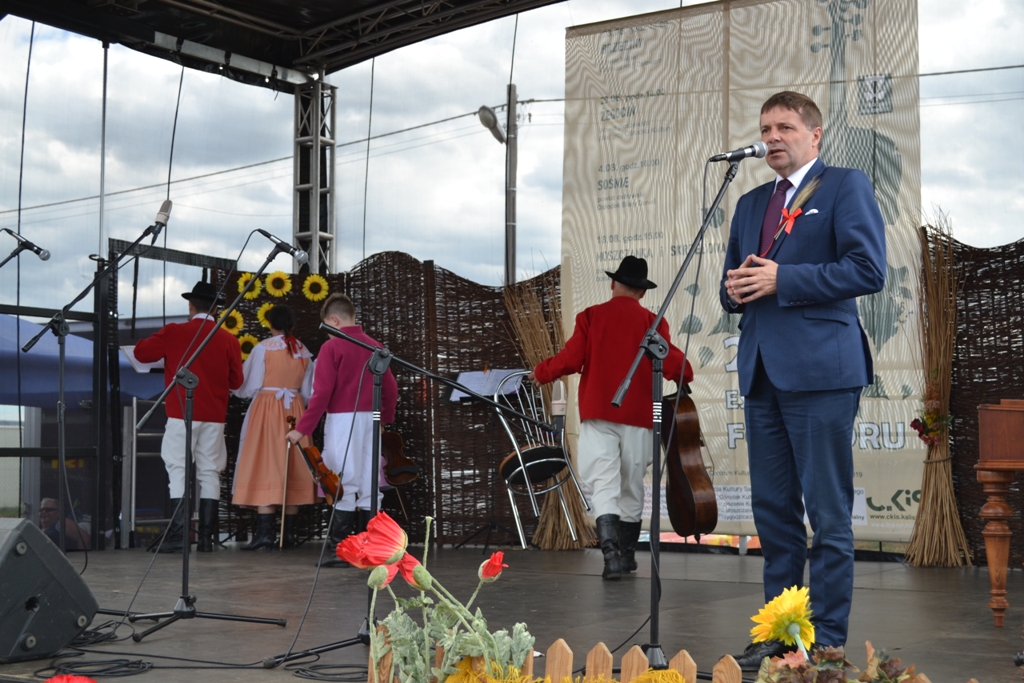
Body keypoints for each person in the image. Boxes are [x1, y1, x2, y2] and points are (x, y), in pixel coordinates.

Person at [720, 91, 885, 668]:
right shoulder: (748, 203)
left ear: (815, 135)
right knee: (774, 513)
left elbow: (868, 269)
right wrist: (736, 289)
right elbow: (731, 283)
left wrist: (783, 280)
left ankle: (829, 639)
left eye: (785, 127)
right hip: (763, 371)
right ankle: (783, 636)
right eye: (766, 129)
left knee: (827, 511)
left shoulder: (845, 186)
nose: (773, 138)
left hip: (822, 372)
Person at [528, 255, 693, 581]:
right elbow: (678, 365)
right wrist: (684, 373)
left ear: (613, 283)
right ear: (642, 292)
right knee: (631, 484)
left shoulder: (590, 316)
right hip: (640, 416)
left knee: (604, 482)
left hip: (600, 412)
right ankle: (628, 556)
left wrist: (542, 372)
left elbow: (571, 359)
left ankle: (611, 560)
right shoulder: (652, 321)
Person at [286, 293, 398, 567]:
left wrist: (301, 430)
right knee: (370, 482)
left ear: (333, 320)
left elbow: (321, 394)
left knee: (341, 482)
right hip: (371, 420)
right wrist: (385, 418)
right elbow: (391, 389)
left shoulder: (333, 347)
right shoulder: (376, 346)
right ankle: (371, 550)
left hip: (342, 420)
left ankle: (341, 550)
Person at [134, 281, 244, 553]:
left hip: (181, 412)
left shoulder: (175, 332)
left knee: (178, 469)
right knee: (210, 472)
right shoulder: (228, 339)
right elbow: (237, 381)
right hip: (215, 416)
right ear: (217, 309)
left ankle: (179, 536)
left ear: (191, 306)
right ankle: (206, 539)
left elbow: (141, 353)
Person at [231, 304, 316, 550]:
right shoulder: (303, 351)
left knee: (265, 463)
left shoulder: (262, 349)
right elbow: (309, 392)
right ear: (293, 325)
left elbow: (246, 386)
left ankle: (266, 535)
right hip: (296, 410)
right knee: (293, 466)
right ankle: (287, 536)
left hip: (268, 409)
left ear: (270, 324)